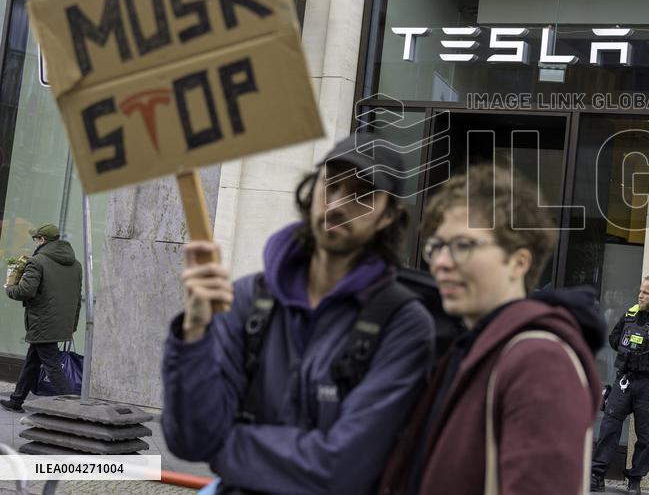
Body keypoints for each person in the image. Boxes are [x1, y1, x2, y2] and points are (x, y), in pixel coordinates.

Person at [161, 133, 435, 495]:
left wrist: (226, 449)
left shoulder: (404, 325)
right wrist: (194, 333)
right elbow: (191, 441)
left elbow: (339, 470)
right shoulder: (248, 299)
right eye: (331, 185)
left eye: (363, 194)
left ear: (389, 216)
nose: (337, 204)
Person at [379, 164, 604, 495]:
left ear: (518, 262)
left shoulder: (539, 362)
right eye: (437, 246)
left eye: (463, 245)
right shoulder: (468, 349)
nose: (440, 262)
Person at [590, 276, 649, 494]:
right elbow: (614, 339)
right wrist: (628, 341)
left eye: (646, 293)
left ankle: (634, 480)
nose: (640, 296)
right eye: (640, 291)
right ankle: (597, 475)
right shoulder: (630, 314)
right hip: (624, 380)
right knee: (609, 427)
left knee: (646, 436)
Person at [1, 223, 82, 412]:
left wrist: (9, 288)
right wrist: (73, 325)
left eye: (36, 239)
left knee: (52, 366)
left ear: (42, 240)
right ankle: (16, 401)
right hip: (60, 322)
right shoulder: (76, 265)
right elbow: (77, 298)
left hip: (42, 322)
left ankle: (73, 409)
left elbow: (25, 291)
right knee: (33, 361)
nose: (35, 243)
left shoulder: (37, 261)